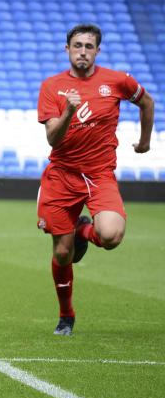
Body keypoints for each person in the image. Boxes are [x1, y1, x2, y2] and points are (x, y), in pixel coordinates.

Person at [36, 23, 155, 336]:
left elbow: (147, 102)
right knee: (63, 253)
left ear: (97, 51)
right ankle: (66, 315)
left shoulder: (117, 81)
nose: (83, 52)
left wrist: (145, 142)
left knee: (111, 237)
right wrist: (70, 112)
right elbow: (53, 139)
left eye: (89, 46)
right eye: (78, 46)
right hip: (61, 176)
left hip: (99, 174)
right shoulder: (52, 86)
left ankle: (83, 228)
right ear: (67, 50)